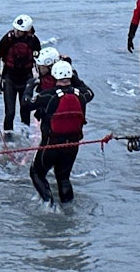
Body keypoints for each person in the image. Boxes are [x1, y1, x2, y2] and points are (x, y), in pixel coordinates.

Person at [29, 61, 94, 205]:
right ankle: (68, 207)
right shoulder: (82, 95)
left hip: (51, 144)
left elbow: (26, 103)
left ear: (54, 75)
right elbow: (90, 91)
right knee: (63, 178)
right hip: (72, 144)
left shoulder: (49, 95)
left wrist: (30, 85)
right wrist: (74, 76)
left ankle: (48, 204)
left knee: (36, 173)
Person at [0, 14, 41, 134]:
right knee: (10, 112)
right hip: (9, 78)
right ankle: (8, 139)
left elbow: (40, 62)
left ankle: (26, 137)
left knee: (25, 110)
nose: (16, 32)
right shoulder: (7, 39)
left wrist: (40, 82)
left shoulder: (33, 41)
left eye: (20, 31)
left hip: (26, 78)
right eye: (16, 29)